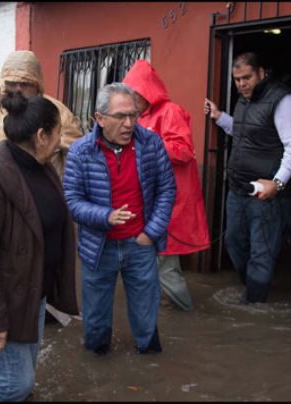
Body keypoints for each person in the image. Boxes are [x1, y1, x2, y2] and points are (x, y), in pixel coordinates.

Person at [0, 92, 78, 402]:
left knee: (26, 378)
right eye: (58, 132)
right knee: (17, 383)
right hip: (2, 303)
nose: (62, 139)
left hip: (33, 294)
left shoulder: (43, 167)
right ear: (41, 135)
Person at [63, 83, 176, 355]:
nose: (129, 123)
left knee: (146, 319)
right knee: (96, 322)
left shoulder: (151, 143)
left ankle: (150, 367)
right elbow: (73, 200)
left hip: (140, 244)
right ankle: (96, 368)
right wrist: (106, 216)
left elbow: (167, 190)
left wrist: (151, 233)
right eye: (120, 116)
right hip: (98, 248)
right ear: (99, 119)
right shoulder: (81, 151)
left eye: (133, 115)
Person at [204, 52, 291, 304]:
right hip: (238, 188)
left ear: (262, 72)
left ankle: (253, 303)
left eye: (246, 77)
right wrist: (219, 117)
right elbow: (243, 131)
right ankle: (251, 285)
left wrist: (278, 182)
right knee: (233, 241)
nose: (241, 84)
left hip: (265, 192)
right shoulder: (244, 101)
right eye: (237, 79)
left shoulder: (284, 102)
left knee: (262, 250)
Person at [0, 50, 83, 239]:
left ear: (38, 86)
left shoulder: (57, 113)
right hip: (0, 208)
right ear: (2, 84)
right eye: (11, 84)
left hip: (44, 210)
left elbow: (79, 159)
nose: (18, 90)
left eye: (25, 84)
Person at [122, 60, 210, 312]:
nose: (130, 101)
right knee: (155, 262)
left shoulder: (170, 112)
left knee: (165, 264)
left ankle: (186, 311)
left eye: (134, 95)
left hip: (171, 203)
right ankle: (168, 306)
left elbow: (183, 151)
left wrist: (147, 145)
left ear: (146, 92)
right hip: (152, 204)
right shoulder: (141, 117)